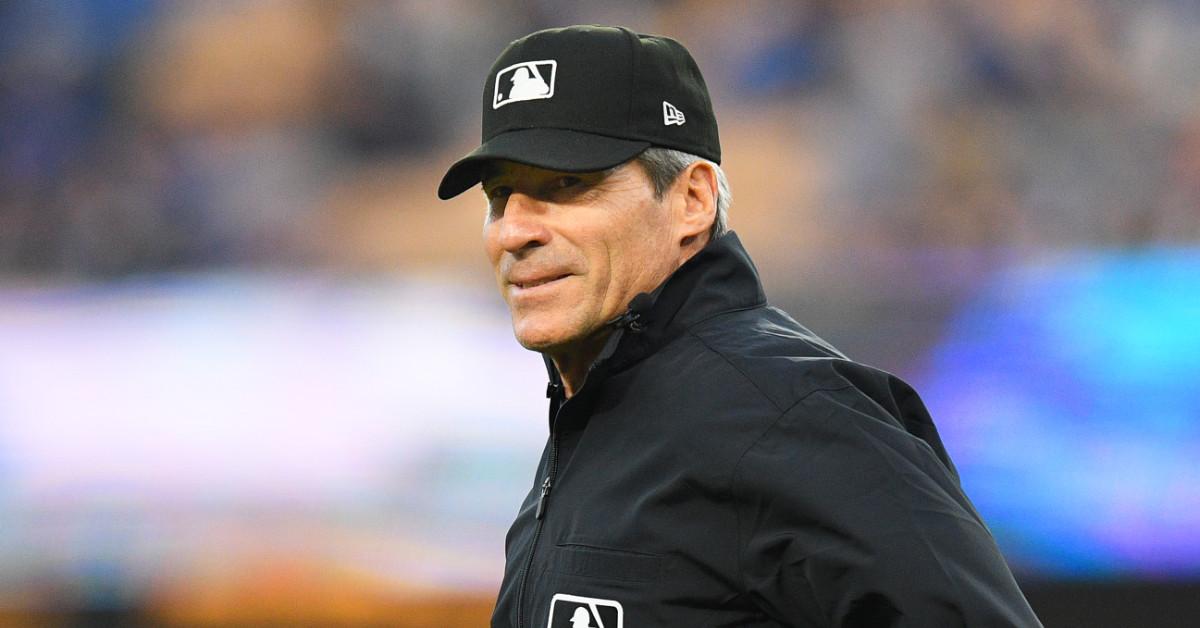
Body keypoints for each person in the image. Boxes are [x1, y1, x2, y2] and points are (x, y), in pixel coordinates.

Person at [438, 25, 1043, 628]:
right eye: (501, 195)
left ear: (693, 200)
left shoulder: (793, 414)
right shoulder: (594, 416)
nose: (514, 232)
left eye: (568, 185)